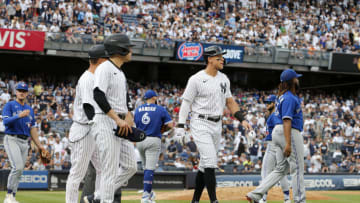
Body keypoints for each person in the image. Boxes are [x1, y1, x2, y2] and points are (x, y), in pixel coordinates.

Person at [177, 45, 252, 203]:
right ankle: (214, 201)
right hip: (200, 122)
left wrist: (242, 119)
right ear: (210, 59)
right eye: (219, 57)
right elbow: (186, 104)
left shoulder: (223, 79)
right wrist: (180, 126)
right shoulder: (196, 79)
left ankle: (195, 200)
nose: (222, 59)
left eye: (222, 57)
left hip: (217, 124)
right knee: (211, 161)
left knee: (205, 165)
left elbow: (230, 102)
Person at [89, 33, 136, 203]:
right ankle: (104, 199)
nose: (131, 50)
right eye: (129, 47)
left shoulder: (119, 71)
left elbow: (122, 100)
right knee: (109, 170)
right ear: (120, 49)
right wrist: (117, 118)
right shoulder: (105, 68)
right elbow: (98, 95)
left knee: (131, 166)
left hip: (120, 123)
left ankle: (99, 196)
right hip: (106, 121)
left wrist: (128, 116)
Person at [247, 69, 305, 203]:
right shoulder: (289, 97)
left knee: (280, 169)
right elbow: (286, 120)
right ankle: (300, 200)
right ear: (292, 81)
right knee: (297, 169)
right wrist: (288, 143)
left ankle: (256, 194)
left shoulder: (281, 97)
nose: (298, 80)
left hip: (277, 134)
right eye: (296, 78)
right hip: (288, 131)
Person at [65, 44, 108, 203]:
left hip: (92, 130)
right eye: (106, 59)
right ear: (101, 60)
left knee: (103, 168)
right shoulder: (87, 79)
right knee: (77, 173)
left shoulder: (95, 77)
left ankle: (97, 198)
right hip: (84, 130)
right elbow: (88, 107)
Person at [2, 82, 48, 203]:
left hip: (24, 141)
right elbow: (5, 122)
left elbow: (32, 130)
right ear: (15, 92)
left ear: (27, 93)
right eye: (19, 90)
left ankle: (13, 196)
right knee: (17, 167)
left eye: (24, 91)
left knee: (21, 169)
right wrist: (19, 115)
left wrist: (40, 146)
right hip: (12, 138)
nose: (22, 93)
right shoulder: (10, 105)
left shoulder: (29, 109)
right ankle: (8, 196)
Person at [134, 90, 173, 203]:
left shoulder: (138, 109)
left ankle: (149, 193)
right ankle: (145, 197)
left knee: (146, 168)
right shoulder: (160, 109)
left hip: (140, 140)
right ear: (154, 98)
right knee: (150, 169)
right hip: (153, 139)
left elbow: (135, 125)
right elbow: (170, 125)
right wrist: (163, 130)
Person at [259, 94, 290, 203]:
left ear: (274, 103)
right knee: (281, 173)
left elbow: (279, 128)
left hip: (273, 146)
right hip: (278, 145)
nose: (267, 104)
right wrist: (262, 135)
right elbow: (270, 131)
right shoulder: (274, 115)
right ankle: (287, 199)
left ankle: (263, 198)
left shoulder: (274, 115)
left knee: (265, 172)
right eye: (266, 102)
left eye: (269, 102)